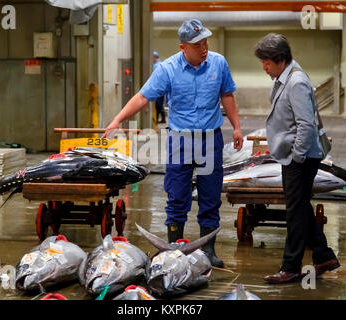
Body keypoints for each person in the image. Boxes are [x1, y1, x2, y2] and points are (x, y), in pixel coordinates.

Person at [103, 19, 243, 267]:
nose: (204, 48)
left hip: (210, 139)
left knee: (210, 195)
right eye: (197, 44)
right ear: (183, 47)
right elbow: (143, 97)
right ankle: (175, 248)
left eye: (205, 42)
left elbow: (227, 94)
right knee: (177, 195)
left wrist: (237, 127)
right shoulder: (167, 69)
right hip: (180, 140)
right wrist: (117, 120)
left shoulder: (218, 63)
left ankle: (208, 251)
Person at [254, 33, 340, 284]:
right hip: (294, 155)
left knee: (295, 211)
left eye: (266, 62)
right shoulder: (286, 77)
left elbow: (306, 125)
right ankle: (324, 256)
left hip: (300, 157)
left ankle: (290, 267)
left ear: (280, 60)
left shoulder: (296, 82)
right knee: (301, 207)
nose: (264, 67)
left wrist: (296, 157)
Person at [152, 51, 166, 123]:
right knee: (160, 104)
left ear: (154, 58)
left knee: (158, 105)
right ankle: (162, 119)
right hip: (162, 88)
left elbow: (156, 77)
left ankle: (157, 120)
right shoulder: (161, 63)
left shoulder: (156, 65)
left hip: (158, 88)